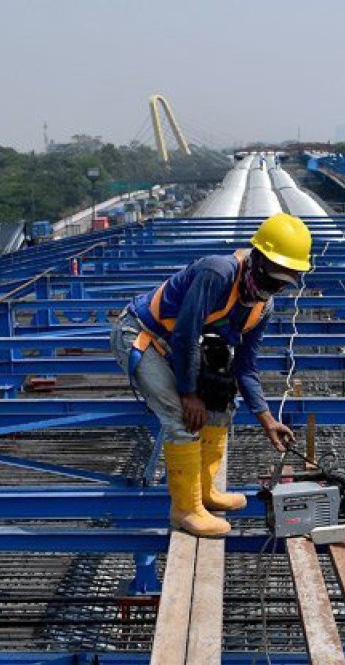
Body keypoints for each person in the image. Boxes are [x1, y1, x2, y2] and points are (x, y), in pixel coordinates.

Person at [110, 213, 312, 537]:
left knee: (221, 400)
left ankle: (204, 492)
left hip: (175, 344)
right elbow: (186, 335)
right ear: (256, 260)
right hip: (141, 335)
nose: (270, 289)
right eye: (270, 279)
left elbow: (245, 367)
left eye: (281, 284)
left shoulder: (263, 308)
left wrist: (267, 419)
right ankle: (185, 510)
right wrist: (189, 394)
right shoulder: (217, 273)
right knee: (180, 413)